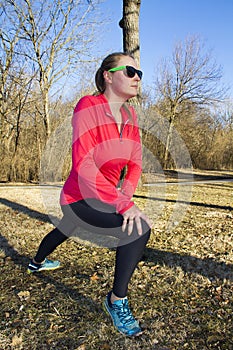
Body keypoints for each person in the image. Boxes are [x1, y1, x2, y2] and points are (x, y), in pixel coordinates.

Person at [27, 52, 152, 337]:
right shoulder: (88, 105)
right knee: (134, 227)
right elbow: (83, 163)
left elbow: (135, 163)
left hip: (106, 197)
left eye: (139, 73)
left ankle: (36, 262)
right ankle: (116, 300)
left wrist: (125, 196)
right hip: (78, 197)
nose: (137, 77)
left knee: (64, 229)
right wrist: (123, 203)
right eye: (130, 71)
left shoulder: (131, 114)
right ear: (108, 76)